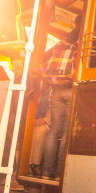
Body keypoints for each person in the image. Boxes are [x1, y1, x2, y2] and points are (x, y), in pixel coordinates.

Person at [40, 27, 79, 181]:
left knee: (53, 131)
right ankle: (58, 175)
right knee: (66, 132)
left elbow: (42, 61)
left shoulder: (59, 45)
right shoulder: (82, 43)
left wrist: (47, 77)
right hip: (71, 90)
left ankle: (46, 173)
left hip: (54, 91)